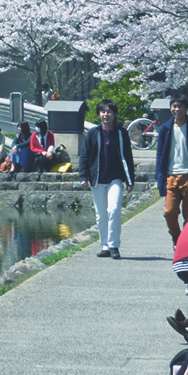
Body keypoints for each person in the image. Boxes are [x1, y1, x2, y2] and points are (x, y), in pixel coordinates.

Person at [78, 101, 135, 259]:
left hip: (115, 178)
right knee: (101, 215)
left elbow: (127, 156)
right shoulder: (93, 133)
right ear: (99, 114)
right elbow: (84, 156)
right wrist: (83, 177)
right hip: (97, 179)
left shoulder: (121, 133)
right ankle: (105, 246)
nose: (106, 114)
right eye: (103, 112)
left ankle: (114, 245)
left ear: (114, 114)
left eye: (109, 111)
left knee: (114, 209)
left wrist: (130, 179)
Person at [155, 92, 188, 245]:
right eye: (174, 106)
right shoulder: (165, 128)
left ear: (185, 108)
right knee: (169, 212)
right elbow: (160, 154)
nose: (177, 109)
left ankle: (187, 242)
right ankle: (177, 238)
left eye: (180, 106)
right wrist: (160, 175)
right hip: (171, 176)